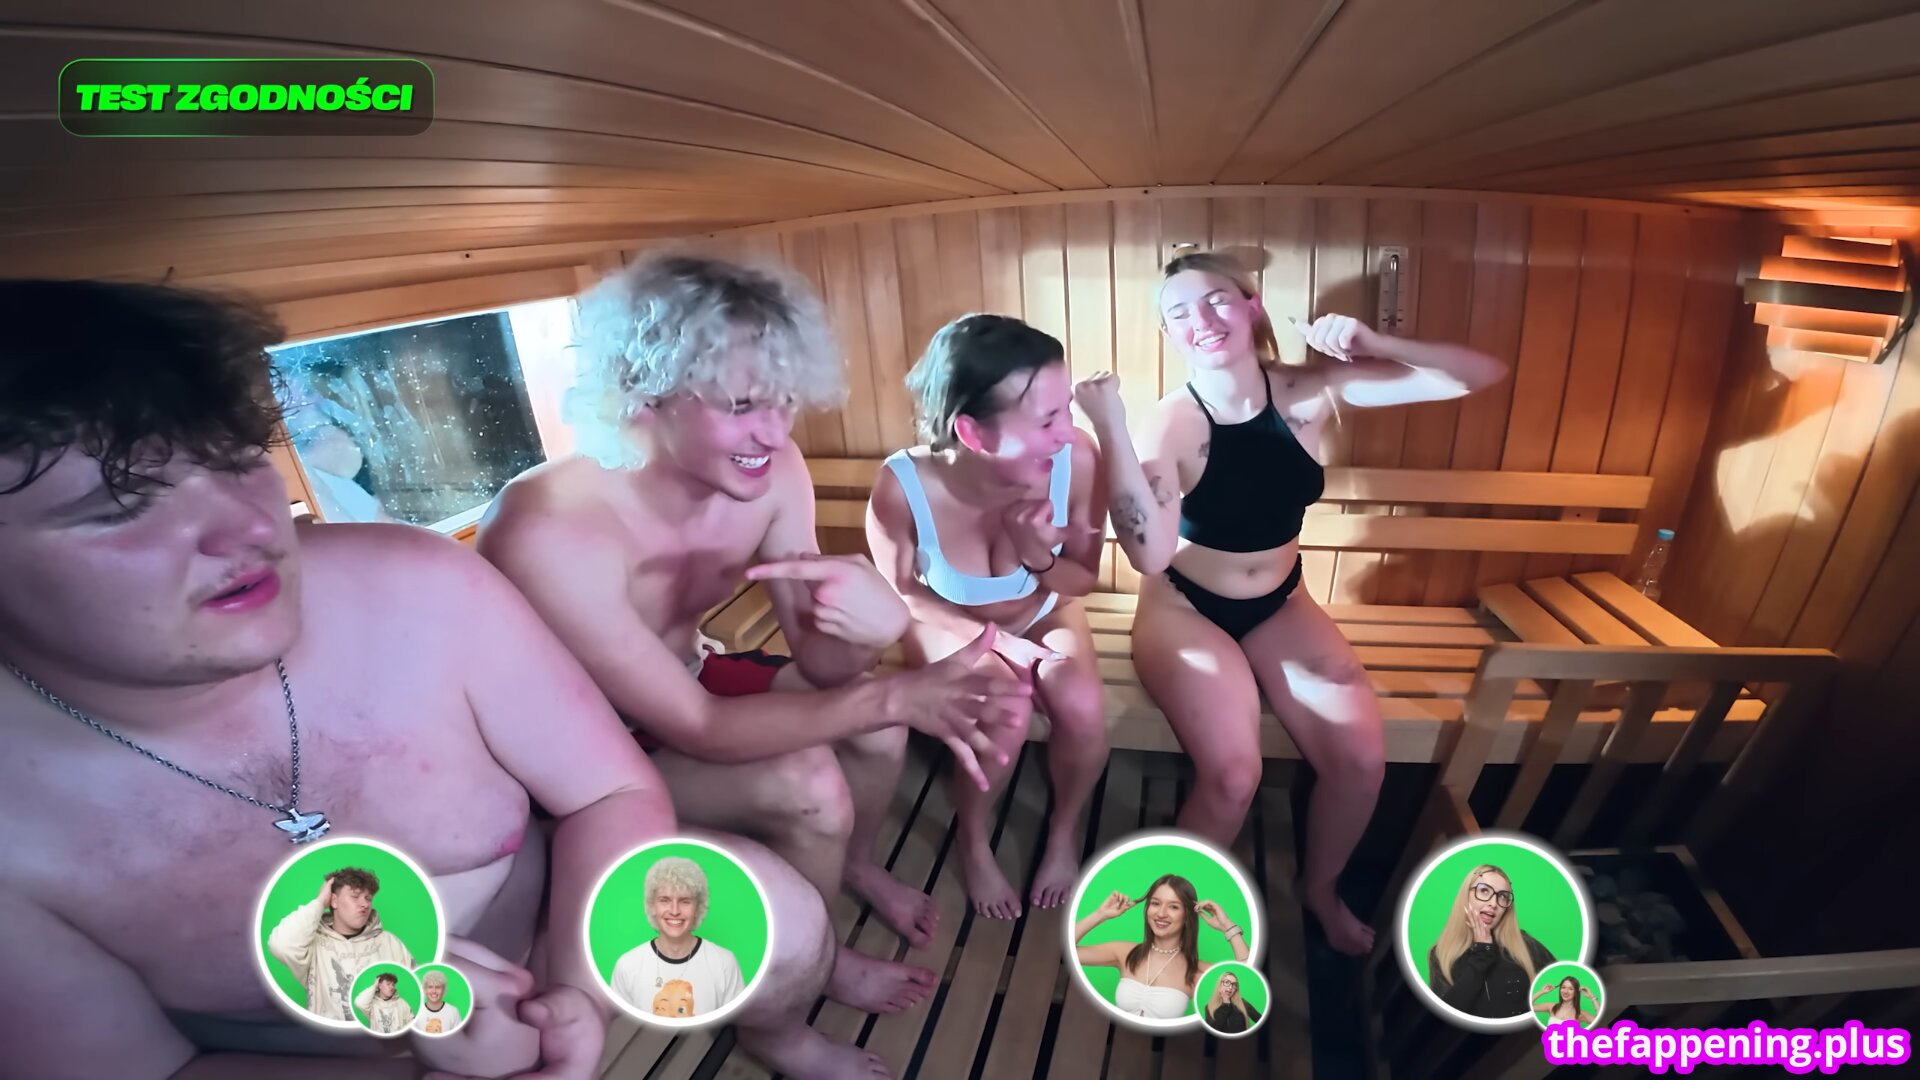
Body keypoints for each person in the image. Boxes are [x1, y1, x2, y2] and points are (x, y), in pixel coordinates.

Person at [0, 278, 693, 1079]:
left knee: (790, 919)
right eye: (123, 503)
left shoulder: (421, 585)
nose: (251, 528)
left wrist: (574, 1003)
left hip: (562, 954)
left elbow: (613, 794)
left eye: (236, 459)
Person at [479, 253, 1027, 1078]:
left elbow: (824, 666)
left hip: (688, 677)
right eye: (741, 406)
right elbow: (699, 726)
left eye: (785, 399)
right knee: (809, 784)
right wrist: (900, 692)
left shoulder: (772, 476)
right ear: (644, 391)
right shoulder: (550, 528)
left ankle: (850, 876)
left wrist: (873, 625)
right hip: (573, 764)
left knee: (875, 734)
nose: (774, 433)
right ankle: (779, 1025)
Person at [1073, 251, 1507, 955]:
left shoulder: (1309, 392)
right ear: (1168, 334)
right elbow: (1149, 557)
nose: (1200, 319)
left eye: (1216, 299)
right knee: (1233, 777)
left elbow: (1476, 375)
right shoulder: (1171, 424)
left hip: (1282, 602)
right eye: (1179, 312)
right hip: (1185, 609)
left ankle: (1319, 890)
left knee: (1360, 762)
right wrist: (1112, 428)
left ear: (1253, 306)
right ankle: (1161, 931)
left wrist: (1377, 343)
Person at [867, 314, 1110, 917]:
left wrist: (1037, 557)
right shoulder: (904, 485)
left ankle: (1063, 833)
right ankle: (974, 842)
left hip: (1046, 609)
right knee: (1006, 714)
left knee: (1082, 708)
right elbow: (902, 592)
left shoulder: (1077, 459)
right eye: (1047, 420)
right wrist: (997, 642)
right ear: (973, 433)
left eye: (1066, 408)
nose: (1067, 431)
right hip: (949, 620)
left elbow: (1082, 579)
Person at [1074, 874, 1249, 1020]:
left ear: (1187, 915)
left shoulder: (1196, 972)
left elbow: (1251, 981)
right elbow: (1067, 950)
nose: (1161, 913)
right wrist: (1101, 914)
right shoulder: (1125, 952)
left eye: (1174, 907)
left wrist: (1227, 926)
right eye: (1156, 903)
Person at [265, 868, 415, 1020]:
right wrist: (320, 901)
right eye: (355, 896)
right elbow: (280, 945)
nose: (365, 904)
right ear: (334, 901)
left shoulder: (389, 943)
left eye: (368, 898)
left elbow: (417, 989)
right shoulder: (312, 945)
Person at [609, 856, 746, 1020]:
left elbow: (736, 1028)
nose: (674, 911)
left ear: (697, 907)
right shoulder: (627, 966)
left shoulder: (724, 963)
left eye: (685, 901)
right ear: (652, 906)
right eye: (665, 900)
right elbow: (619, 1031)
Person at [1426, 864, 1555, 1019]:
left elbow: (1568, 978)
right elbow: (1443, 1018)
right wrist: (1482, 952)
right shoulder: (1440, 953)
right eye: (1484, 890)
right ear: (1466, 895)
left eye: (1503, 896)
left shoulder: (1524, 943)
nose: (1493, 903)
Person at [1202, 970, 1262, 1034]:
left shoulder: (1243, 1003)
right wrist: (1226, 1003)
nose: (1230, 987)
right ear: (1219, 986)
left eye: (1234, 984)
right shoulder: (1209, 1007)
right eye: (1227, 982)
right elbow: (1211, 1031)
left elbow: (1261, 1020)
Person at [1532, 973, 1598, 1027]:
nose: (1566, 991)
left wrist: (1592, 997)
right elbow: (1529, 1007)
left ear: (1576, 992)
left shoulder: (1580, 1014)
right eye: (1563, 987)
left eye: (1570, 989)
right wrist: (1542, 991)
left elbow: (1600, 1021)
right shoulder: (1551, 1006)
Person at [413, 969, 464, 1036]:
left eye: (438, 987)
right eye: (430, 987)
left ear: (443, 990)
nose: (434, 991)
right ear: (425, 989)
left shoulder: (453, 1012)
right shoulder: (417, 1012)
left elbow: (458, 1038)